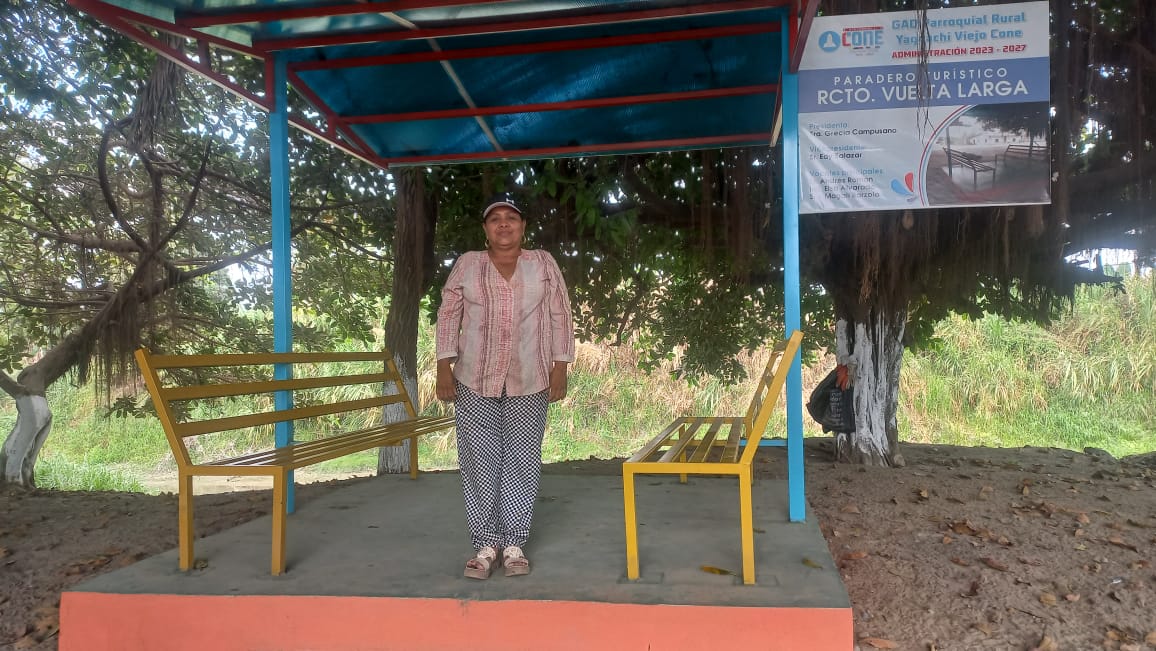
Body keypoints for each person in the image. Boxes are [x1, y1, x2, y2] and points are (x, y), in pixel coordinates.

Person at [435, 193, 575, 580]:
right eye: (494, 218)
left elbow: (561, 314)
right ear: (485, 229)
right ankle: (485, 545)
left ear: (523, 226)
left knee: (522, 459)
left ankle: (514, 544)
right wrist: (443, 366)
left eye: (510, 217)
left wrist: (560, 367)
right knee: (479, 460)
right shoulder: (468, 264)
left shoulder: (542, 263)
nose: (503, 224)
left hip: (530, 378)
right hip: (474, 378)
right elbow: (448, 314)